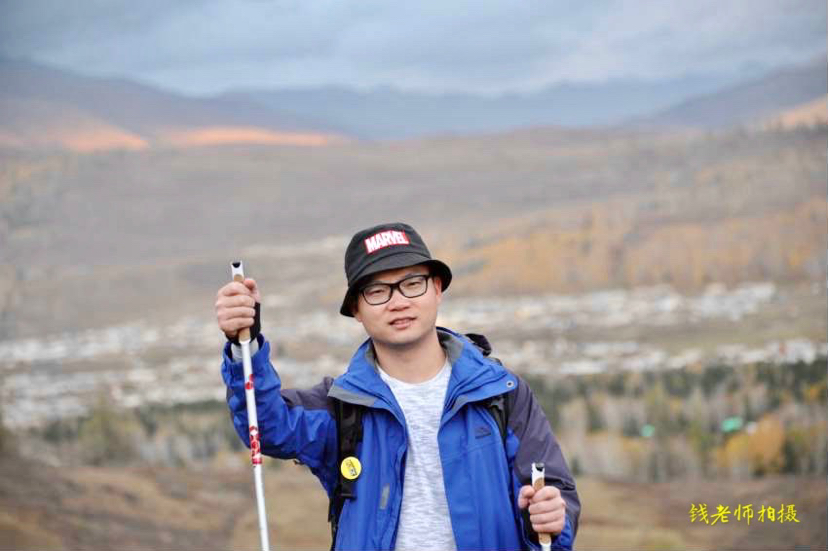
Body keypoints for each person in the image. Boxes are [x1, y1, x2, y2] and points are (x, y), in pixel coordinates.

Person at [215, 222, 580, 550]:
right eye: (377, 291)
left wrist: (550, 519)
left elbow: (553, 500)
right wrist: (244, 344)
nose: (399, 301)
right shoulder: (342, 406)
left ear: (437, 289)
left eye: (412, 283)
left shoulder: (501, 394)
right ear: (356, 309)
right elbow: (266, 426)